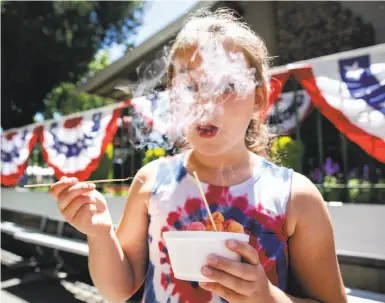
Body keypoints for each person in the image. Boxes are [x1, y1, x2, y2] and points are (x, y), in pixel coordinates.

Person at [49, 8, 348, 303]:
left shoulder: (296, 197)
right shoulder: (151, 180)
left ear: (259, 99)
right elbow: (119, 289)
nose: (205, 101)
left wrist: (267, 298)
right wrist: (100, 233)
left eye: (227, 85)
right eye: (189, 86)